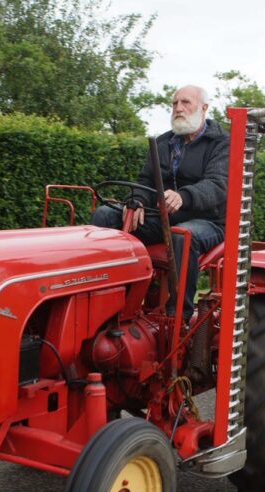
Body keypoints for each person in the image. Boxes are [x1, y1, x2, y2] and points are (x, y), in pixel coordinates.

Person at [91, 85, 229, 322]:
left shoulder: (222, 143)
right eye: (174, 103)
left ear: (204, 108)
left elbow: (217, 184)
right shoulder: (164, 143)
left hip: (209, 221)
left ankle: (178, 318)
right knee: (106, 215)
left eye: (185, 102)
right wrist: (136, 202)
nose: (178, 108)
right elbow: (146, 181)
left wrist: (183, 196)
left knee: (181, 235)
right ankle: (103, 301)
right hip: (164, 217)